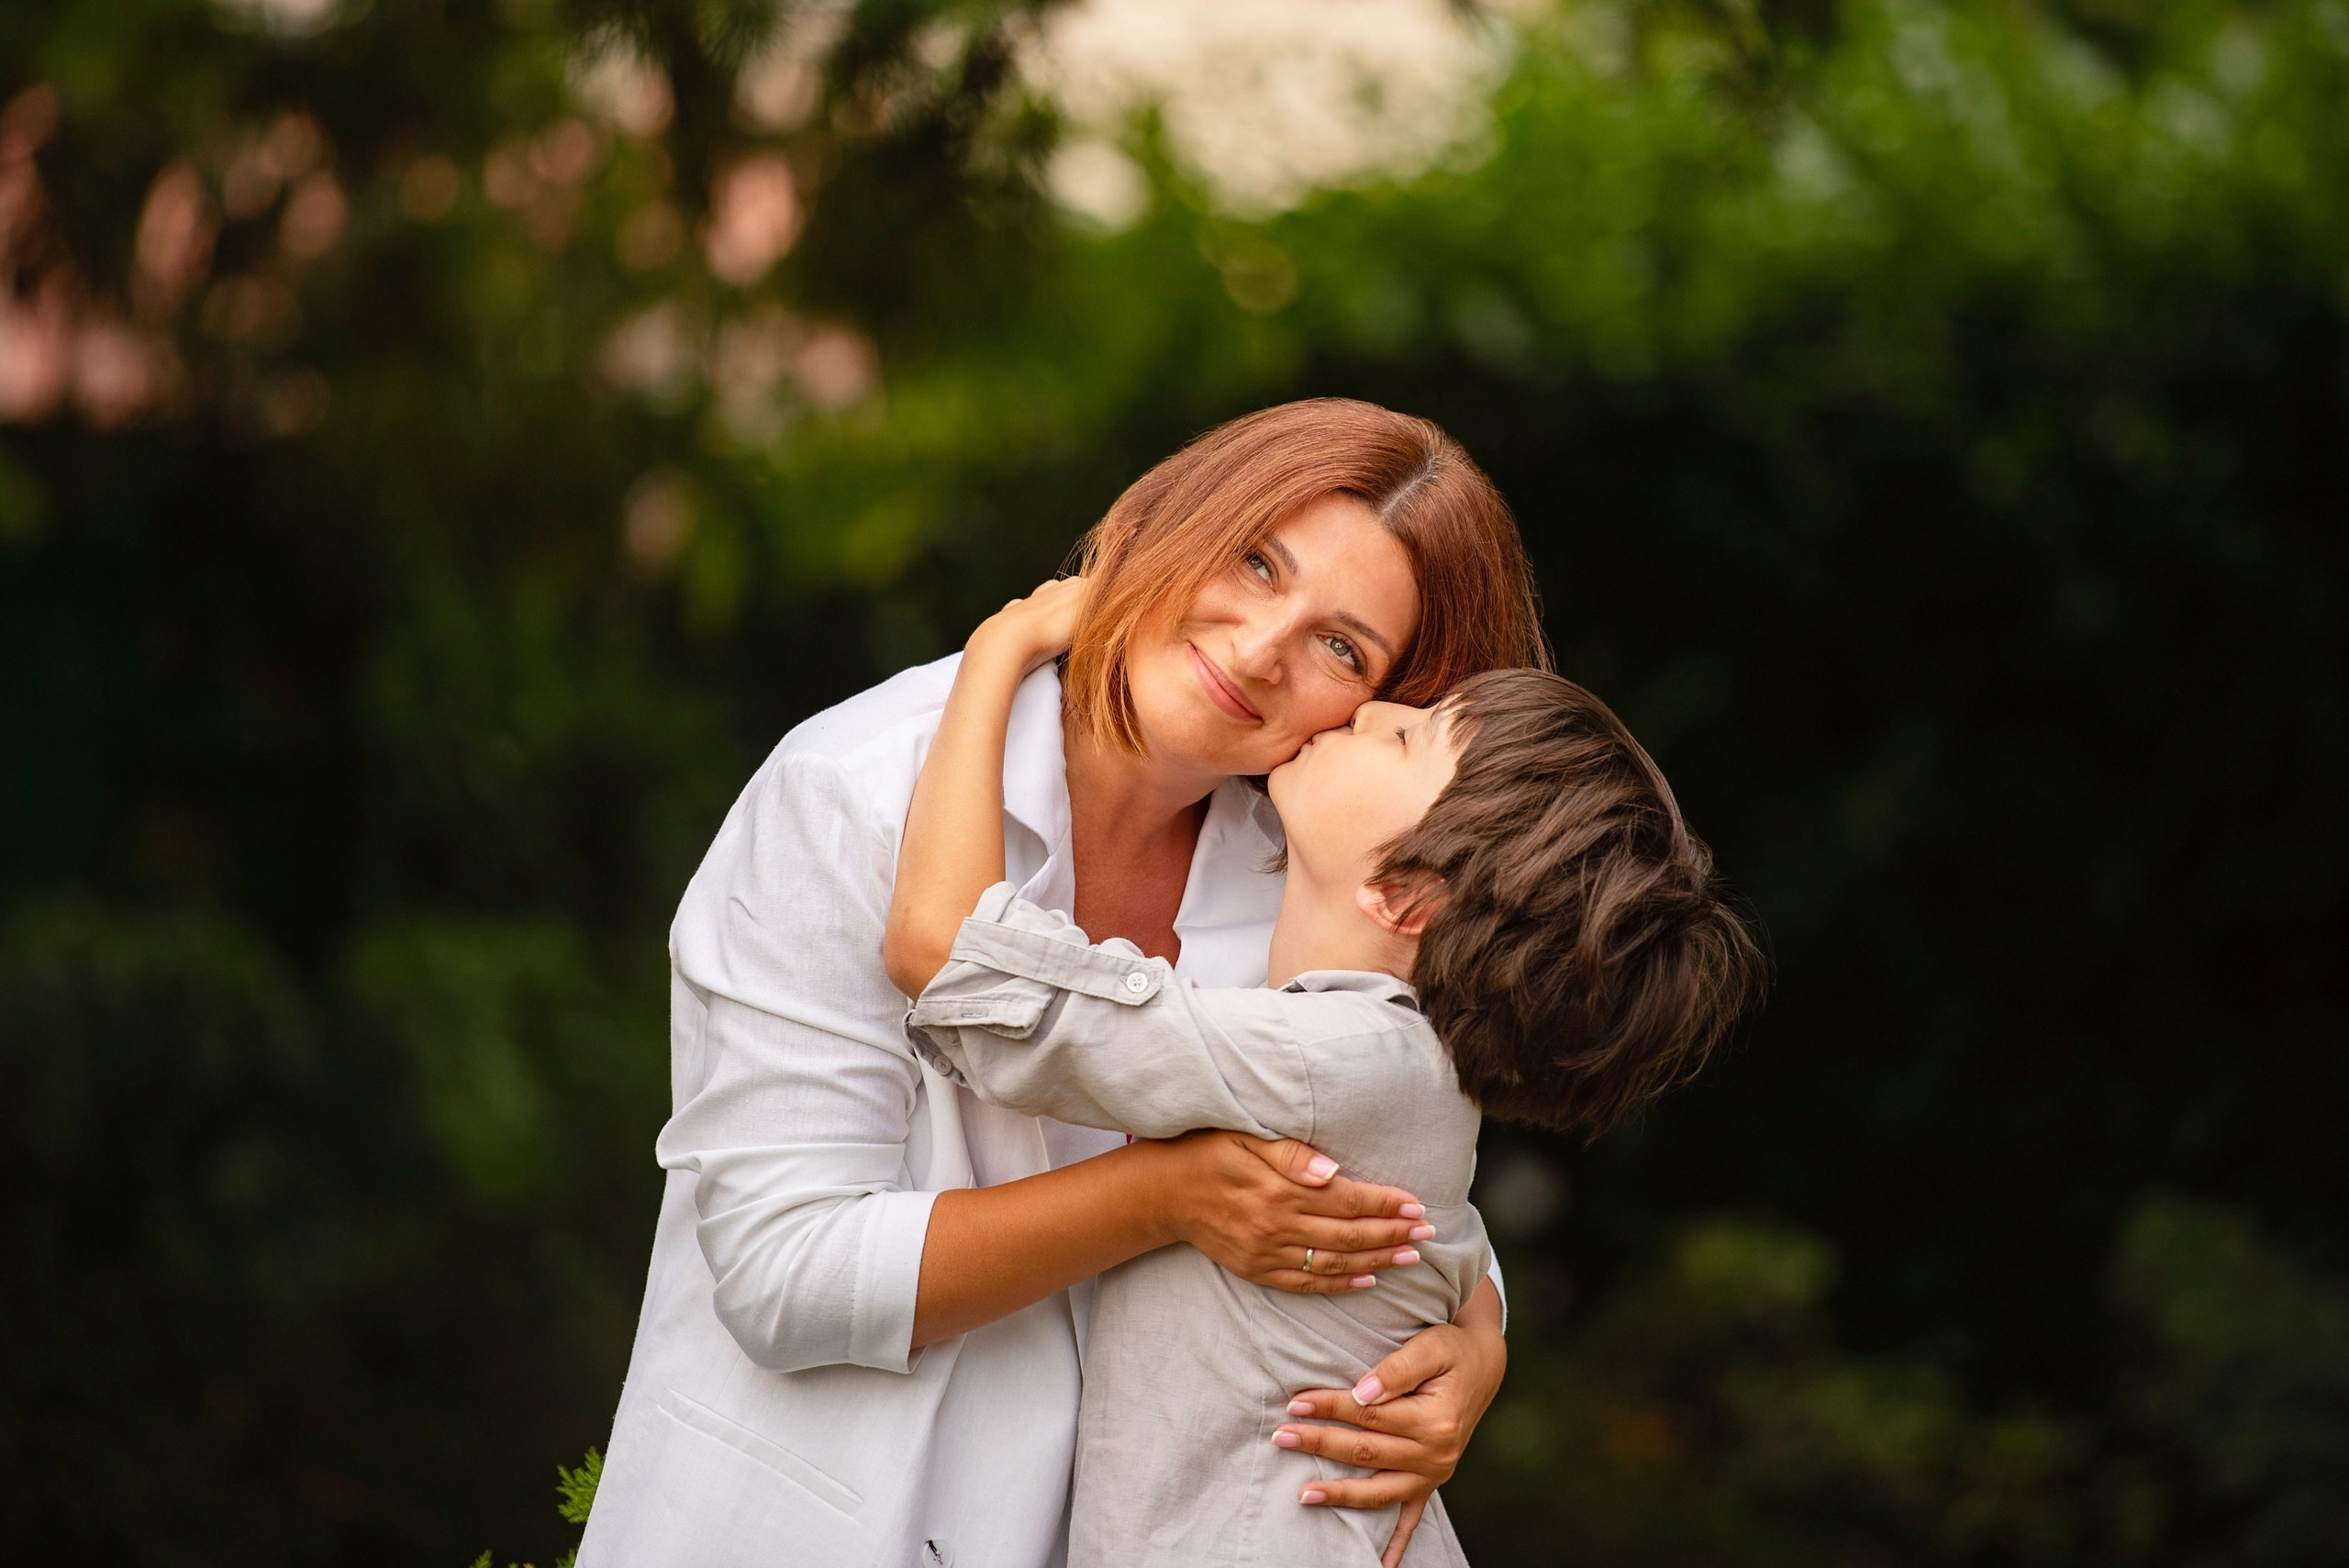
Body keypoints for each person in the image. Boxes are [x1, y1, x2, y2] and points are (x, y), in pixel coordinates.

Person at [579, 400, 1548, 1568]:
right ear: (1167, 521)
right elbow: (786, 1272)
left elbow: (1385, 1130)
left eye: (1342, 646)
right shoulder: (851, 790)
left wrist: (1475, 1340)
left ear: (1394, 704)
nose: (1255, 649)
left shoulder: (1324, 862)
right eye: (1254, 560)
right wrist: (1160, 1196)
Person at [886, 582, 1762, 1565]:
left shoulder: (1322, 1058)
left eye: (1405, 740)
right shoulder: (1404, 1068)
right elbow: (1450, 1253)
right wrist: (1483, 1336)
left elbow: (957, 966)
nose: (1371, 709)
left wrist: (996, 654)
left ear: (1400, 894)